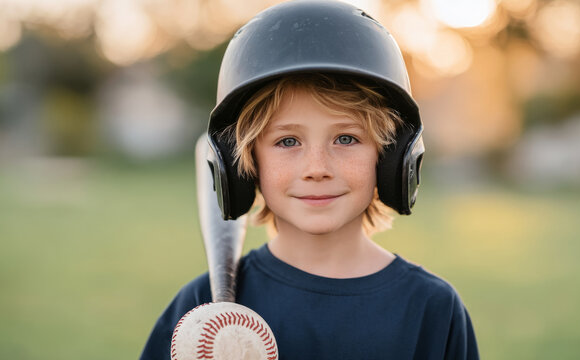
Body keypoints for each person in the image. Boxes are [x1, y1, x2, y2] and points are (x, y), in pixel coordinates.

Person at [140, 1, 478, 359]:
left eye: (346, 138)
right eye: (288, 141)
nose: (317, 168)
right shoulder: (203, 310)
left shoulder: (431, 310)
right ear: (242, 164)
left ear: (393, 157)